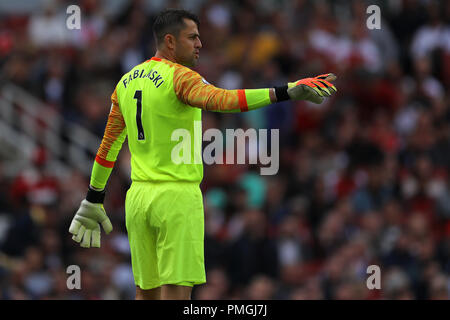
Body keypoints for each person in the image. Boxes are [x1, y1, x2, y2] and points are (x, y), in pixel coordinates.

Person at [68, 8, 337, 300]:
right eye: (193, 37)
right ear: (170, 42)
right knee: (177, 295)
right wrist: (286, 91)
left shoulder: (126, 82)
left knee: (146, 295)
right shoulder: (181, 77)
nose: (200, 44)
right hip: (176, 198)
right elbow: (222, 100)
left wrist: (94, 197)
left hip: (138, 200)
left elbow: (108, 147)